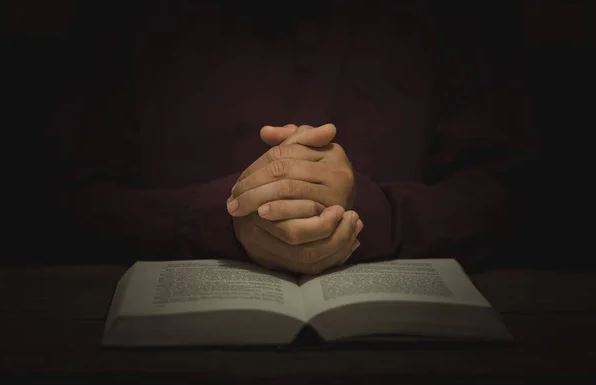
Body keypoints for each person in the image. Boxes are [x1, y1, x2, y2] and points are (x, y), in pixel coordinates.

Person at [51, 1, 537, 274]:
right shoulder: (120, 19)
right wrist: (234, 215)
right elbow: (59, 199)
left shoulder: (463, 17)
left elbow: (515, 196)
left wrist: (370, 209)